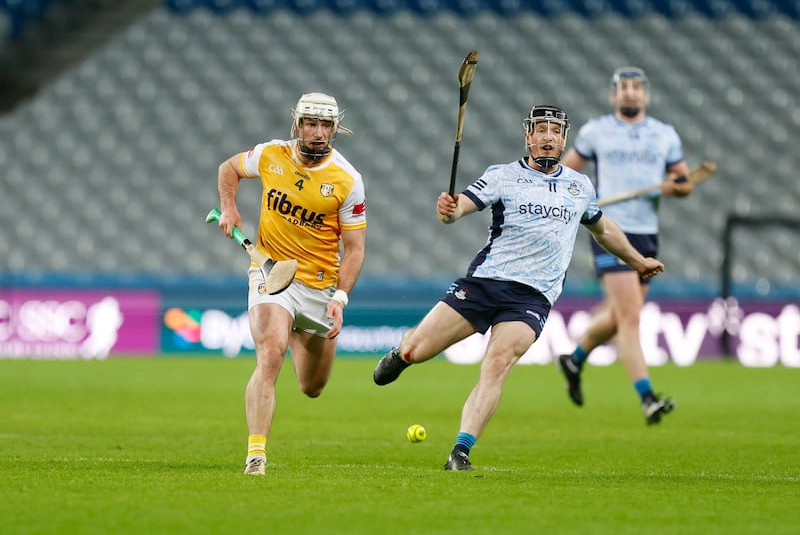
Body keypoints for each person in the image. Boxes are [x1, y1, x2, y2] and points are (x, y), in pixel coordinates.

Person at [373, 104, 664, 471]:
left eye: (555, 131)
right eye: (540, 130)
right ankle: (400, 356)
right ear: (528, 136)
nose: (547, 137)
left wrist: (638, 261)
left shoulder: (579, 186)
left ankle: (460, 451)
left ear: (563, 140)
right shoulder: (503, 176)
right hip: (483, 284)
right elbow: (461, 205)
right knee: (417, 349)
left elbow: (603, 229)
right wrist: (449, 210)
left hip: (532, 298)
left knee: (496, 365)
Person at [215, 92, 367, 475]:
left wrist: (341, 299)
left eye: (325, 125)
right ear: (297, 124)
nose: (317, 133)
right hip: (270, 274)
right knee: (270, 354)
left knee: (312, 387)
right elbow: (227, 169)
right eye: (311, 124)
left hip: (320, 288)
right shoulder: (270, 154)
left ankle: (299, 329)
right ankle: (256, 455)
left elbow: (354, 250)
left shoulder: (347, 180)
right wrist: (230, 207)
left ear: (335, 129)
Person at [558, 67, 694, 425]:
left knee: (620, 318)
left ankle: (574, 359)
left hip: (647, 233)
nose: (630, 93)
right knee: (631, 317)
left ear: (645, 95)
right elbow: (563, 175)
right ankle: (648, 397)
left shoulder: (664, 135)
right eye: (624, 88)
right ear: (614, 95)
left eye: (637, 88)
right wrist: (578, 200)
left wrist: (674, 185)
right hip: (609, 231)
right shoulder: (596, 132)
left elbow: (684, 181)